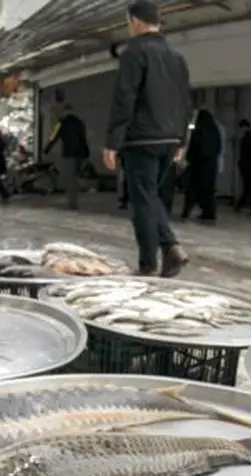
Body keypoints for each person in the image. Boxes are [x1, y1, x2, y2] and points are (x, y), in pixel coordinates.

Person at [104, 1, 192, 277]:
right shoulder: (177, 59)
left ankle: (152, 260)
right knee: (152, 197)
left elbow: (125, 98)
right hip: (169, 139)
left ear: (136, 22)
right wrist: (181, 140)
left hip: (142, 138)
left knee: (143, 199)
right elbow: (185, 102)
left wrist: (112, 142)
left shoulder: (134, 53)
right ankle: (166, 253)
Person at [44, 103, 90, 210]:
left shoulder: (61, 123)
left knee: (70, 178)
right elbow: (84, 137)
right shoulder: (79, 122)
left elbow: (53, 137)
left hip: (69, 153)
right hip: (82, 153)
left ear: (64, 112)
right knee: (75, 177)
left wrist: (46, 149)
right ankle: (74, 200)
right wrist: (86, 152)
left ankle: (72, 203)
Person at [182, 108, 221, 222]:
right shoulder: (215, 131)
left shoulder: (199, 131)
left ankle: (187, 211)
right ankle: (208, 212)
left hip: (198, 166)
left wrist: (188, 158)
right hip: (211, 165)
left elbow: (194, 146)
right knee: (208, 190)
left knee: (192, 189)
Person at [235, 119, 251, 216]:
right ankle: (245, 206)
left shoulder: (245, 140)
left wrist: (241, 165)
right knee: (248, 187)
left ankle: (249, 206)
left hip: (247, 167)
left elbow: (245, 155)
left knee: (248, 188)